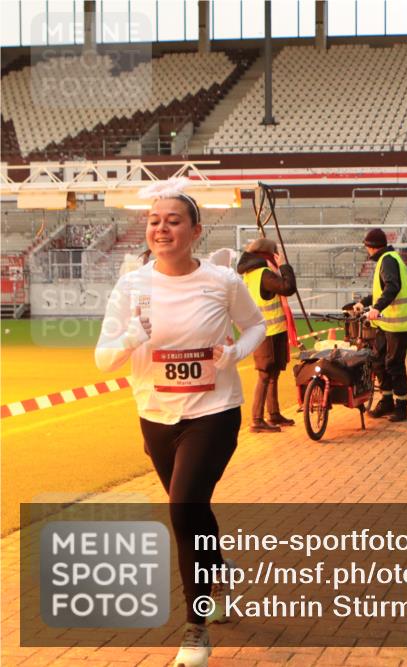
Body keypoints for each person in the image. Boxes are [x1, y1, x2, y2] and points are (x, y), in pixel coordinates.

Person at [95, 178, 266, 667]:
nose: (161, 229)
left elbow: (256, 325)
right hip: (156, 416)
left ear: (195, 230)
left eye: (173, 221)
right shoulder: (131, 286)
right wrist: (131, 337)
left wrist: (235, 352)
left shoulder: (221, 281)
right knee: (192, 510)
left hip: (214, 412)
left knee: (183, 505)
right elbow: (103, 360)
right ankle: (219, 570)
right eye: (154, 221)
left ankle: (196, 628)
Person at [354, 228, 407, 422]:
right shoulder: (387, 259)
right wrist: (364, 303)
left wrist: (377, 308)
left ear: (371, 247)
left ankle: (401, 406)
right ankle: (387, 401)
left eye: (366, 247)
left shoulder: (388, 260)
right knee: (379, 362)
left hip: (397, 324)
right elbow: (382, 291)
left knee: (394, 364)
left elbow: (392, 287)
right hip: (386, 323)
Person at [237, 238, 298, 432]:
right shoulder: (263, 274)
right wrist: (284, 266)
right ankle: (257, 419)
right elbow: (288, 288)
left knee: (273, 374)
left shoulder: (251, 274)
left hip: (269, 331)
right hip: (268, 332)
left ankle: (274, 414)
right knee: (265, 375)